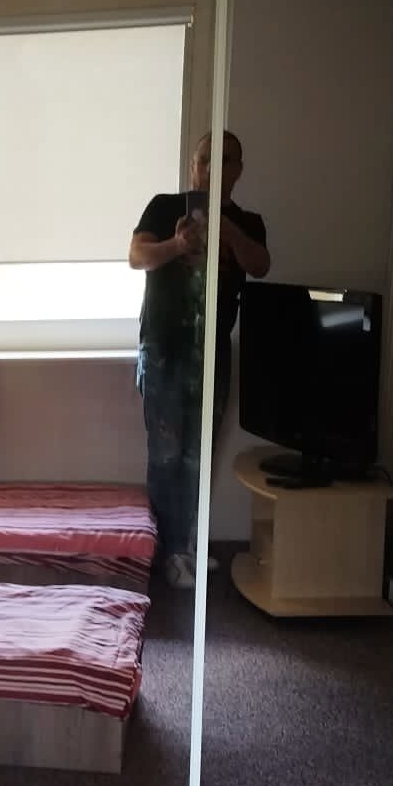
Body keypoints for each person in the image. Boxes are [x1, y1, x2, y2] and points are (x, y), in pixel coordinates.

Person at [129, 131, 270, 588]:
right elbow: (136, 256)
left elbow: (261, 264)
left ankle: (185, 546)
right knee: (166, 455)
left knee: (198, 457)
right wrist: (176, 246)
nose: (212, 168)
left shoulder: (247, 222)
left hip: (212, 354)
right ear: (193, 165)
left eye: (224, 160)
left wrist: (228, 231)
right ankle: (167, 553)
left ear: (238, 169)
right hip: (164, 349)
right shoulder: (164, 207)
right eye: (205, 159)